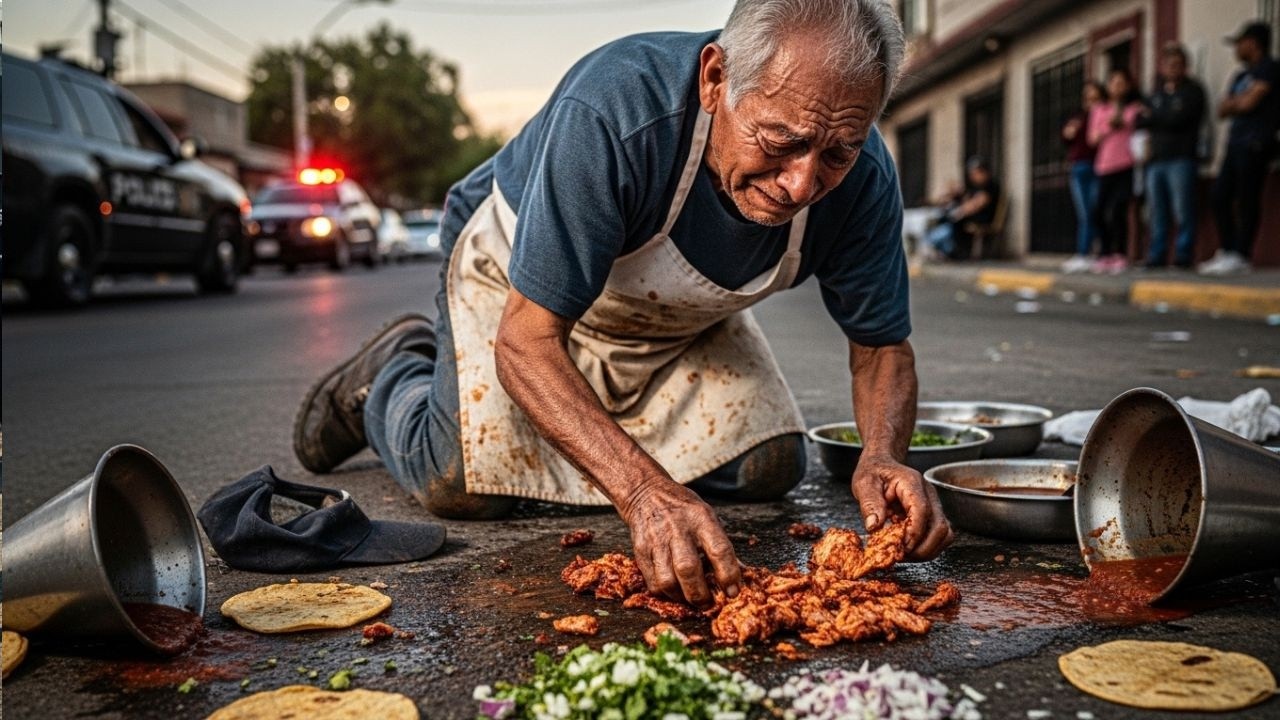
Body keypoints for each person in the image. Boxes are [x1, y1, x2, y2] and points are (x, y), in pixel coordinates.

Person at [292, 0, 953, 608]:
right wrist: (641, 490)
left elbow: (881, 347)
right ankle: (390, 382)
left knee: (767, 466)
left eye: (836, 152)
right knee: (461, 483)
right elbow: (526, 342)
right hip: (522, 287)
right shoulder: (613, 111)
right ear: (716, 79)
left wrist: (883, 456)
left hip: (668, 317)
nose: (802, 183)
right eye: (779, 142)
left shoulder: (862, 176)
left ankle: (590, 428)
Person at [1202, 21, 1279, 276]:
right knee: (1219, 196)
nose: (1236, 49)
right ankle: (1227, 249)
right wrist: (1239, 102)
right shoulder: (1240, 76)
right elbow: (1223, 109)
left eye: (1239, 43)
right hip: (1234, 144)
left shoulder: (1270, 69)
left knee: (1248, 199)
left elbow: (1248, 104)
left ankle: (1242, 254)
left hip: (1256, 143)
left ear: (1253, 43)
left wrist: (1239, 103)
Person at [1137, 44, 1207, 269]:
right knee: (1157, 212)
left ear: (1185, 66)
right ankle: (1157, 255)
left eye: (1177, 64)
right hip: (1156, 160)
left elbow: (1180, 119)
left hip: (1181, 159)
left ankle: (1183, 255)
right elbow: (1140, 120)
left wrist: (1155, 117)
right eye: (1168, 64)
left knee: (1183, 210)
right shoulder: (1156, 94)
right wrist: (1161, 117)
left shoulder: (1193, 91)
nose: (1172, 69)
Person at [1088, 67, 1143, 274]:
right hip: (1104, 166)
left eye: (1122, 83)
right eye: (1114, 83)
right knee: (1098, 211)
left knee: (1119, 210)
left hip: (1126, 165)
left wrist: (1122, 117)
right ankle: (1104, 252)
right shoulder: (1099, 111)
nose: (1117, 87)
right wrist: (1109, 126)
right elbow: (1092, 139)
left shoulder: (1134, 109)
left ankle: (1120, 253)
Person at [1061, 81, 1106, 273]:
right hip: (1080, 167)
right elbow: (1066, 140)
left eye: (1095, 97)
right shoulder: (1078, 117)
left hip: (1099, 166)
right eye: (1088, 98)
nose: (1091, 102)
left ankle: (1096, 252)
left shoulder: (1103, 115)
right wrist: (1069, 132)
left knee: (1095, 211)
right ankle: (1084, 252)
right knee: (1085, 212)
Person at [923, 156, 999, 261]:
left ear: (984, 172)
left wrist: (960, 211)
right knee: (943, 219)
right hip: (967, 217)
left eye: (975, 173)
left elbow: (977, 204)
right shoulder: (974, 187)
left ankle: (952, 250)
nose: (973, 176)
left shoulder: (990, 186)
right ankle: (945, 248)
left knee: (953, 221)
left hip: (981, 218)